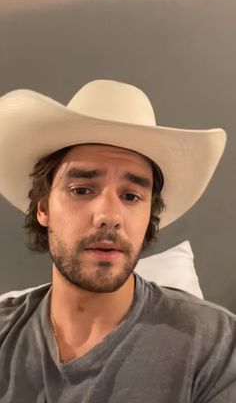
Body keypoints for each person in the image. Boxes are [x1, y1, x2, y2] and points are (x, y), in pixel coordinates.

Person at [0, 79, 235, 403]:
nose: (109, 216)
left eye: (131, 195)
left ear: (149, 215)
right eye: (82, 190)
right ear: (43, 208)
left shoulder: (215, 345)